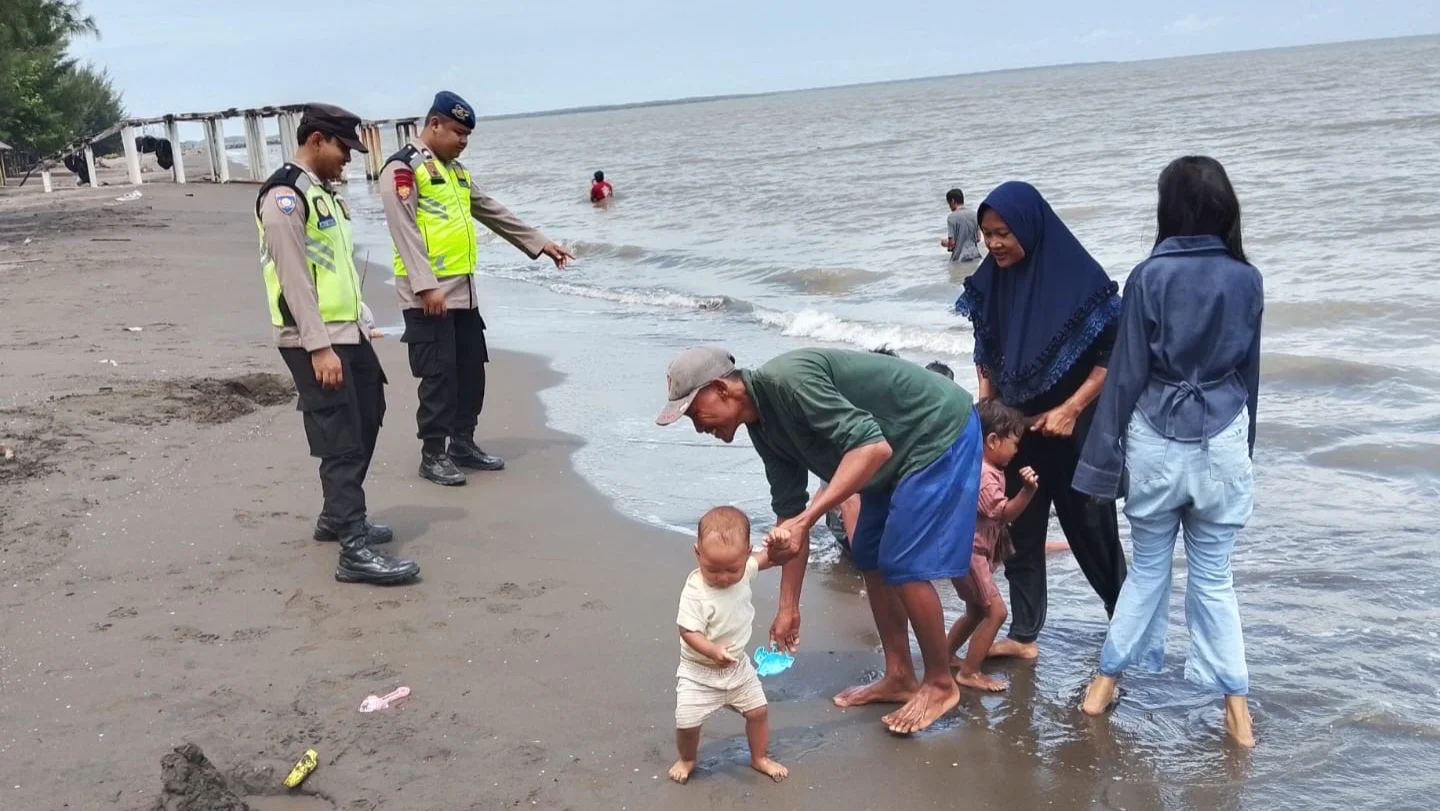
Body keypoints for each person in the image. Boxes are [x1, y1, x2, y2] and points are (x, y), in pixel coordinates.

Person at [658, 346, 982, 735]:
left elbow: (870, 447)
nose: (698, 428)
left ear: (721, 389)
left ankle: (941, 684)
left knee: (903, 561)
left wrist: (808, 517)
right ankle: (899, 675)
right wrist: (788, 608)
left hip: (936, 430)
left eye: (695, 413)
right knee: (869, 553)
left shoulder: (790, 381)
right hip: (894, 453)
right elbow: (789, 518)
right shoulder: (765, 429)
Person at [1074, 156, 1263, 748]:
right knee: (1215, 580)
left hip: (1156, 441)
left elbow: (1126, 375)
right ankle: (1238, 714)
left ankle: (1101, 688)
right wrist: (1245, 448)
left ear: (1169, 210)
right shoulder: (1247, 277)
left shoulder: (1148, 277)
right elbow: (1249, 377)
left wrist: (1098, 464)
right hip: (1222, 439)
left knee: (1148, 573)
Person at [954, 180, 1126, 660]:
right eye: (987, 234)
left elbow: (1116, 350)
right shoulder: (990, 283)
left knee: (1093, 532)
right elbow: (986, 353)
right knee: (1019, 534)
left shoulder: (1081, 281)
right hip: (1016, 432)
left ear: (1030, 228)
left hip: (1075, 431)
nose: (994, 244)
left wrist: (1071, 409)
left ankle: (1126, 626)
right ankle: (1025, 635)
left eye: (1003, 233)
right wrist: (986, 414)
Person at [255, 104, 419, 585]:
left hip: (346, 330)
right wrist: (319, 347)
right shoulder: (285, 196)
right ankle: (353, 548)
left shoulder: (322, 193)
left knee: (369, 411)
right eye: (343, 148)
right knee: (340, 436)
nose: (349, 158)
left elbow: (335, 266)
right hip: (314, 337)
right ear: (317, 140)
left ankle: (336, 515)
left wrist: (359, 313)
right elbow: (293, 278)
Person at [379, 91, 574, 486]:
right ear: (434, 124)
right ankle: (433, 454)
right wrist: (425, 286)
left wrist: (540, 243)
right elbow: (404, 230)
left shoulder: (456, 172)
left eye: (468, 135)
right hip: (429, 297)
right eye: (457, 133)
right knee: (438, 378)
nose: (463, 141)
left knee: (470, 373)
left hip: (463, 295)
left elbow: (491, 211)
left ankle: (462, 444)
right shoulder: (403, 168)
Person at [670, 506, 788, 784]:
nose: (723, 577)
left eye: (731, 569)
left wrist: (780, 542)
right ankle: (687, 759)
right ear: (698, 553)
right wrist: (712, 651)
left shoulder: (745, 570)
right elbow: (687, 630)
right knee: (687, 723)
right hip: (699, 672)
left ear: (747, 554)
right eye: (713, 569)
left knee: (758, 712)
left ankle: (759, 757)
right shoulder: (696, 590)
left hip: (737, 668)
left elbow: (774, 558)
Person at [947, 399, 1037, 691]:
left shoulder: (976, 466)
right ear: (993, 440)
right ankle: (970, 672)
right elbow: (1002, 513)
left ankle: (945, 656)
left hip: (965, 552)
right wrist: (1027, 491)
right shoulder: (985, 475)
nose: (1016, 451)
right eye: (1014, 444)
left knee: (976, 612)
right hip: (970, 555)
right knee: (996, 612)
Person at [941, 188, 982, 263]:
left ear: (953, 201)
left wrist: (945, 243)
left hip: (959, 259)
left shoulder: (951, 217)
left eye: (949, 203)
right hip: (975, 256)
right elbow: (978, 238)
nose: (949, 206)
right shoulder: (974, 214)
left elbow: (952, 243)